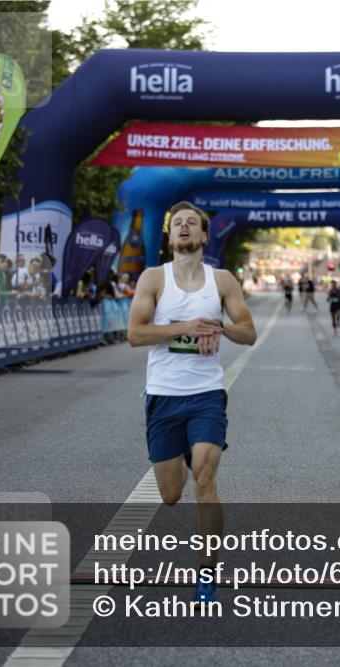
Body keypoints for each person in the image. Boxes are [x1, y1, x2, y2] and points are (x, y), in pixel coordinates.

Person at [127, 201, 257, 605]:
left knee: (204, 479)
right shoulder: (153, 278)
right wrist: (185, 327)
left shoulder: (221, 281)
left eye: (191, 224)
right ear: (169, 237)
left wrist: (220, 326)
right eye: (177, 224)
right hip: (163, 397)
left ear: (203, 236)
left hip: (205, 395)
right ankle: (183, 451)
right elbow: (134, 334)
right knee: (170, 494)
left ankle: (207, 573)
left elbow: (249, 333)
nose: (184, 228)